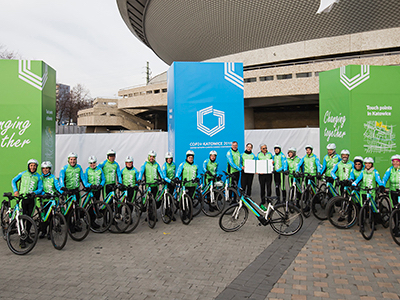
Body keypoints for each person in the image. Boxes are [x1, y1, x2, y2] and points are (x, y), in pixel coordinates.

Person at [11, 159, 43, 248]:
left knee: (29, 219)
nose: (32, 167)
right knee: (23, 218)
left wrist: (34, 192)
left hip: (32, 200)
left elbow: (40, 189)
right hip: (22, 199)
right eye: (31, 165)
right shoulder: (23, 174)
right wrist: (15, 191)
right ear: (28, 166)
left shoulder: (38, 177)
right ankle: (22, 240)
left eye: (34, 166)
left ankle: (27, 235)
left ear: (36, 167)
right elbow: (13, 181)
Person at [40, 161, 62, 239]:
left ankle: (50, 232)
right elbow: (39, 188)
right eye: (44, 168)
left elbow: (58, 187)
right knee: (44, 216)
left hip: (53, 199)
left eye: (47, 168)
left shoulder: (53, 177)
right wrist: (43, 193)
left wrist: (62, 192)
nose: (45, 170)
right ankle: (43, 231)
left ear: (50, 169)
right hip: (44, 199)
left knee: (51, 216)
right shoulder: (41, 178)